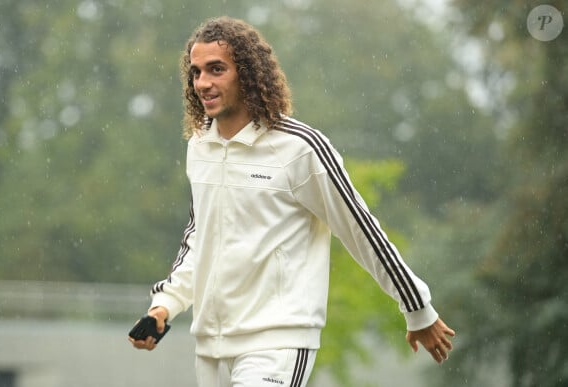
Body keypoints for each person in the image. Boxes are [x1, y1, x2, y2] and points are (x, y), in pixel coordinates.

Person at [129, 16, 455, 387]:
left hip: (277, 342)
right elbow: (199, 238)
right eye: (196, 72)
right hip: (211, 345)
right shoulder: (200, 146)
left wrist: (417, 307)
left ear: (248, 73)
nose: (203, 83)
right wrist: (164, 305)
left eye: (216, 70)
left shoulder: (299, 148)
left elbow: (361, 231)